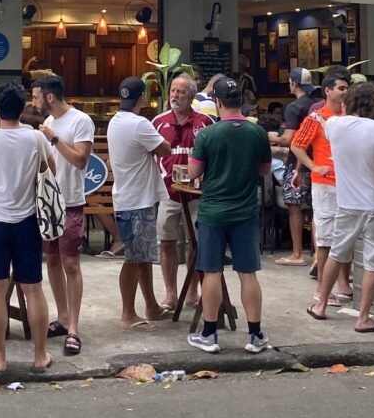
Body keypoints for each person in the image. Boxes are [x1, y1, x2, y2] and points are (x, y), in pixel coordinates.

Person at [0, 83, 55, 374]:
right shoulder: (35, 139)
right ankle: (40, 356)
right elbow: (50, 171)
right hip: (28, 220)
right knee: (34, 290)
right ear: (23, 107)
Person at [186, 77, 272, 355]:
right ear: (240, 102)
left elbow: (193, 173)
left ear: (218, 103)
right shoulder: (256, 132)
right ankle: (255, 333)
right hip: (246, 210)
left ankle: (210, 334)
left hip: (213, 211)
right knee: (248, 273)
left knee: (211, 270)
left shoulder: (207, 135)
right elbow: (265, 169)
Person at [307, 83, 374, 333]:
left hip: (346, 203)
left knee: (336, 253)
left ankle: (321, 305)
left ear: (348, 103)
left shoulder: (336, 126)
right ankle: (364, 318)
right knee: (373, 261)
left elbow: (326, 125)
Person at [32, 73, 94, 357]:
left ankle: (75, 329)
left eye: (36, 97)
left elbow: (80, 160)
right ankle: (63, 316)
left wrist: (53, 138)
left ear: (50, 97)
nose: (33, 103)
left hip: (71, 200)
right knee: (53, 260)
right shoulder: (47, 123)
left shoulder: (80, 121)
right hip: (49, 201)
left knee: (71, 263)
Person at [106, 76, 172, 331]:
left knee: (142, 256)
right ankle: (127, 314)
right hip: (137, 199)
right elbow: (164, 149)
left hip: (128, 196)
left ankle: (151, 305)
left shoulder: (115, 121)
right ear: (142, 98)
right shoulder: (139, 124)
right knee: (134, 258)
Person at [290, 70, 353, 305]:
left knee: (345, 236)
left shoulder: (350, 117)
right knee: (327, 238)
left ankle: (344, 284)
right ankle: (321, 289)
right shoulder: (316, 117)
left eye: (347, 88)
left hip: (347, 184)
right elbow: (297, 144)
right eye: (341, 88)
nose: (345, 92)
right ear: (327, 90)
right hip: (325, 186)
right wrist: (313, 166)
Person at [151, 73, 211, 312]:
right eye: (173, 91)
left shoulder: (205, 123)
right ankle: (170, 294)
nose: (175, 95)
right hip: (168, 193)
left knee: (194, 243)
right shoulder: (158, 122)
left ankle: (192, 292)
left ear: (192, 96)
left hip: (197, 195)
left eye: (181, 92)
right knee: (166, 243)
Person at [270, 67, 316, 266]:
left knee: (294, 206)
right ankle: (317, 253)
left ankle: (297, 253)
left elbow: (289, 139)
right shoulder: (317, 105)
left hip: (297, 162)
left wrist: (273, 138)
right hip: (317, 160)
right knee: (317, 209)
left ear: (293, 83)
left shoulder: (293, 108)